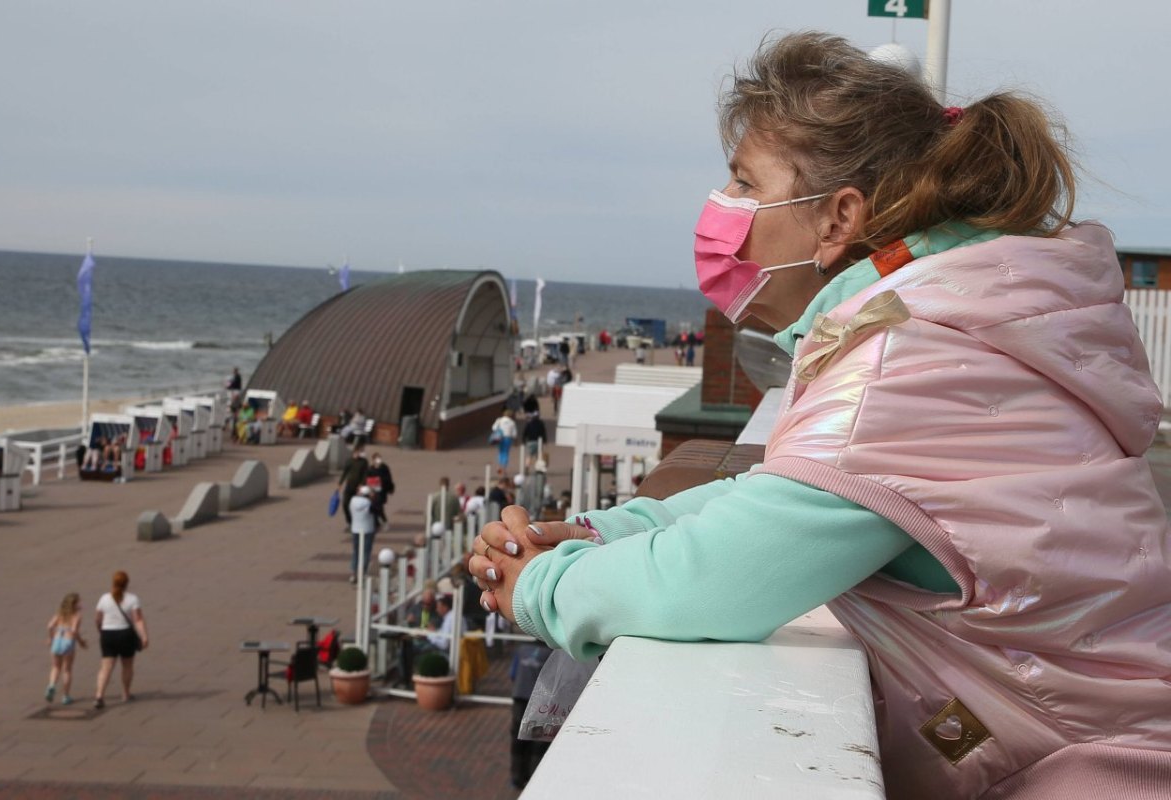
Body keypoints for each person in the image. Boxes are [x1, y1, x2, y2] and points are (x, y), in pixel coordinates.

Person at [468, 31, 1171, 799]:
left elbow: (711, 584)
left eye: (743, 184)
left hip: (1093, 768)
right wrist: (611, 531)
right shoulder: (949, 320)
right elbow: (787, 494)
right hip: (1081, 731)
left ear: (838, 219)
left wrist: (540, 585)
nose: (721, 212)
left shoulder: (906, 362)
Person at [94, 570, 148, 709]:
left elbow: (98, 619)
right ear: (126, 584)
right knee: (127, 665)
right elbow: (138, 620)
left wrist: (101, 630)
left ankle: (99, 695)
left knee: (106, 667)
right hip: (125, 634)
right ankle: (125, 693)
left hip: (108, 634)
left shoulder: (104, 598)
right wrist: (144, 636)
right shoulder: (132, 599)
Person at [509, 643, 553, 789]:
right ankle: (534, 777)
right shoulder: (552, 654)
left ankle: (516, 776)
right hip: (540, 702)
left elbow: (512, 674)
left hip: (520, 698)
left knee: (518, 738)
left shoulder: (521, 649)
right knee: (539, 739)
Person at [46, 592, 88, 705]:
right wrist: (81, 642)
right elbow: (74, 631)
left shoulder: (59, 614)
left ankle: (51, 686)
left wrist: (50, 638)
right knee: (67, 670)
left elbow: (50, 626)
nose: (81, 603)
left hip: (57, 640)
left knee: (55, 667)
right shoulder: (76, 616)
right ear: (74, 604)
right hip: (67, 642)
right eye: (79, 601)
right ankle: (65, 696)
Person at [349, 485, 377, 584]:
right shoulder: (368, 502)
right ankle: (363, 573)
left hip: (355, 529)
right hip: (368, 530)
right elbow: (376, 509)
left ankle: (353, 573)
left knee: (356, 552)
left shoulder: (352, 500)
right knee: (366, 552)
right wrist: (373, 498)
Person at [337, 447, 369, 529]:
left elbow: (365, 474)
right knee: (345, 504)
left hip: (359, 488)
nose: (357, 454)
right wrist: (340, 483)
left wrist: (362, 484)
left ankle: (359, 522)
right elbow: (345, 472)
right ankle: (349, 522)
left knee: (358, 506)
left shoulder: (364, 462)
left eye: (359, 452)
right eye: (356, 452)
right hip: (349, 486)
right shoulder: (349, 461)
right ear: (353, 453)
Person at [366, 452, 395, 524]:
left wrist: (380, 480)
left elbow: (388, 478)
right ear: (373, 460)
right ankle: (377, 522)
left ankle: (383, 521)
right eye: (376, 459)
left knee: (379, 506)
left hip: (382, 491)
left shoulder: (384, 468)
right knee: (375, 506)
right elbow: (367, 479)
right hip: (374, 490)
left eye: (379, 458)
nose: (378, 460)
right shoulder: (370, 469)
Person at [489, 409, 517, 474]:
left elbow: (494, 428)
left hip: (499, 438)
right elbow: (514, 434)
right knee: (506, 453)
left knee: (500, 452)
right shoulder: (512, 422)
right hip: (507, 438)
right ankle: (504, 468)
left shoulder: (499, 420)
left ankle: (499, 466)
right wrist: (515, 441)